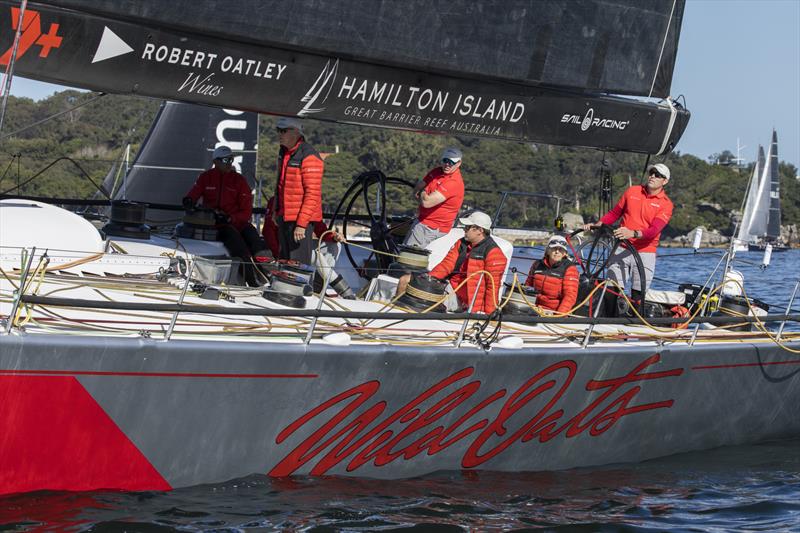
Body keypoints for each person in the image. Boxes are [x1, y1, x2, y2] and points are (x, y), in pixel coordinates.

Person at [583, 163, 674, 297]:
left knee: (637, 297)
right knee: (610, 292)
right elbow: (614, 214)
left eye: (657, 175)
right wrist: (597, 225)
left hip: (645, 253)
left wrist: (632, 233)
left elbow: (654, 231)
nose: (652, 176)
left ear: (665, 181)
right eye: (651, 173)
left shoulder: (666, 204)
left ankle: (634, 317)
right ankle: (609, 318)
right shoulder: (632, 191)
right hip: (621, 247)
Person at [183, 145, 267, 286]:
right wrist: (189, 201)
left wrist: (231, 218)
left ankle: (269, 276)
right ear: (216, 162)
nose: (229, 163)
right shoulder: (206, 177)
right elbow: (194, 193)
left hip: (238, 223)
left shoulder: (239, 181)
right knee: (239, 247)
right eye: (226, 160)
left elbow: (246, 211)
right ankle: (252, 282)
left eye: (231, 160)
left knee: (257, 243)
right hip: (218, 226)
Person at [398, 211, 506, 314]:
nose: (464, 230)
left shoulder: (494, 254)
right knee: (405, 279)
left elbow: (493, 287)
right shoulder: (461, 243)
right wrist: (427, 280)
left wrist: (488, 315)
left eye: (468, 227)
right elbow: (447, 265)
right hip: (450, 287)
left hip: (464, 301)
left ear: (480, 230)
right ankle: (396, 311)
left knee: (422, 300)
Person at [262, 196, 355, 299]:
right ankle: (344, 291)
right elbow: (268, 231)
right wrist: (278, 253)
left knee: (334, 246)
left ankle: (318, 289)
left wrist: (334, 236)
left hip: (302, 244)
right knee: (316, 255)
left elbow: (320, 229)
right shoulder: (278, 200)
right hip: (285, 247)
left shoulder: (312, 200)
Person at [274, 117, 324, 265]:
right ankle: (284, 289)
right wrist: (275, 211)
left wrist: (301, 225)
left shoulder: (309, 155)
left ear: (296, 132)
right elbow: (279, 185)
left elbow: (312, 194)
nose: (279, 135)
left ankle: (301, 288)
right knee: (284, 262)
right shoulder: (284, 152)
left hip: (300, 221)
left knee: (298, 265)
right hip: (285, 217)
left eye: (283, 131)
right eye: (278, 131)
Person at [403, 147, 465, 248]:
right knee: (404, 250)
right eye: (445, 160)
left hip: (431, 227)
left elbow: (427, 202)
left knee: (408, 257)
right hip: (422, 221)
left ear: (458, 163)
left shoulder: (454, 182)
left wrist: (423, 191)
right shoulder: (437, 171)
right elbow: (418, 189)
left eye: (451, 162)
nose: (447, 164)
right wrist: (422, 194)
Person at [524, 235, 580, 314]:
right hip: (534, 308)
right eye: (554, 248)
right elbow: (528, 287)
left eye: (561, 249)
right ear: (548, 250)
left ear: (564, 253)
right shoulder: (537, 264)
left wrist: (558, 316)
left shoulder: (570, 268)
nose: (557, 252)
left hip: (553, 312)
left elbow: (570, 297)